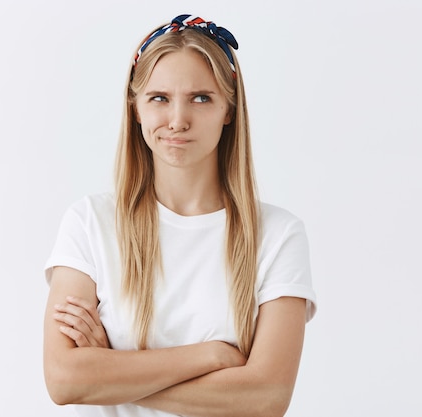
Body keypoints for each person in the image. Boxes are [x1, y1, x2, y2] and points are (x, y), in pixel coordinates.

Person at [43, 14, 317, 417]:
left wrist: (109, 374)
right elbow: (64, 379)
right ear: (135, 108)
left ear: (229, 110)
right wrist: (209, 357)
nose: (177, 120)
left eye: (201, 98)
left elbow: (267, 397)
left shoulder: (278, 235)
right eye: (159, 98)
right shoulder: (89, 223)